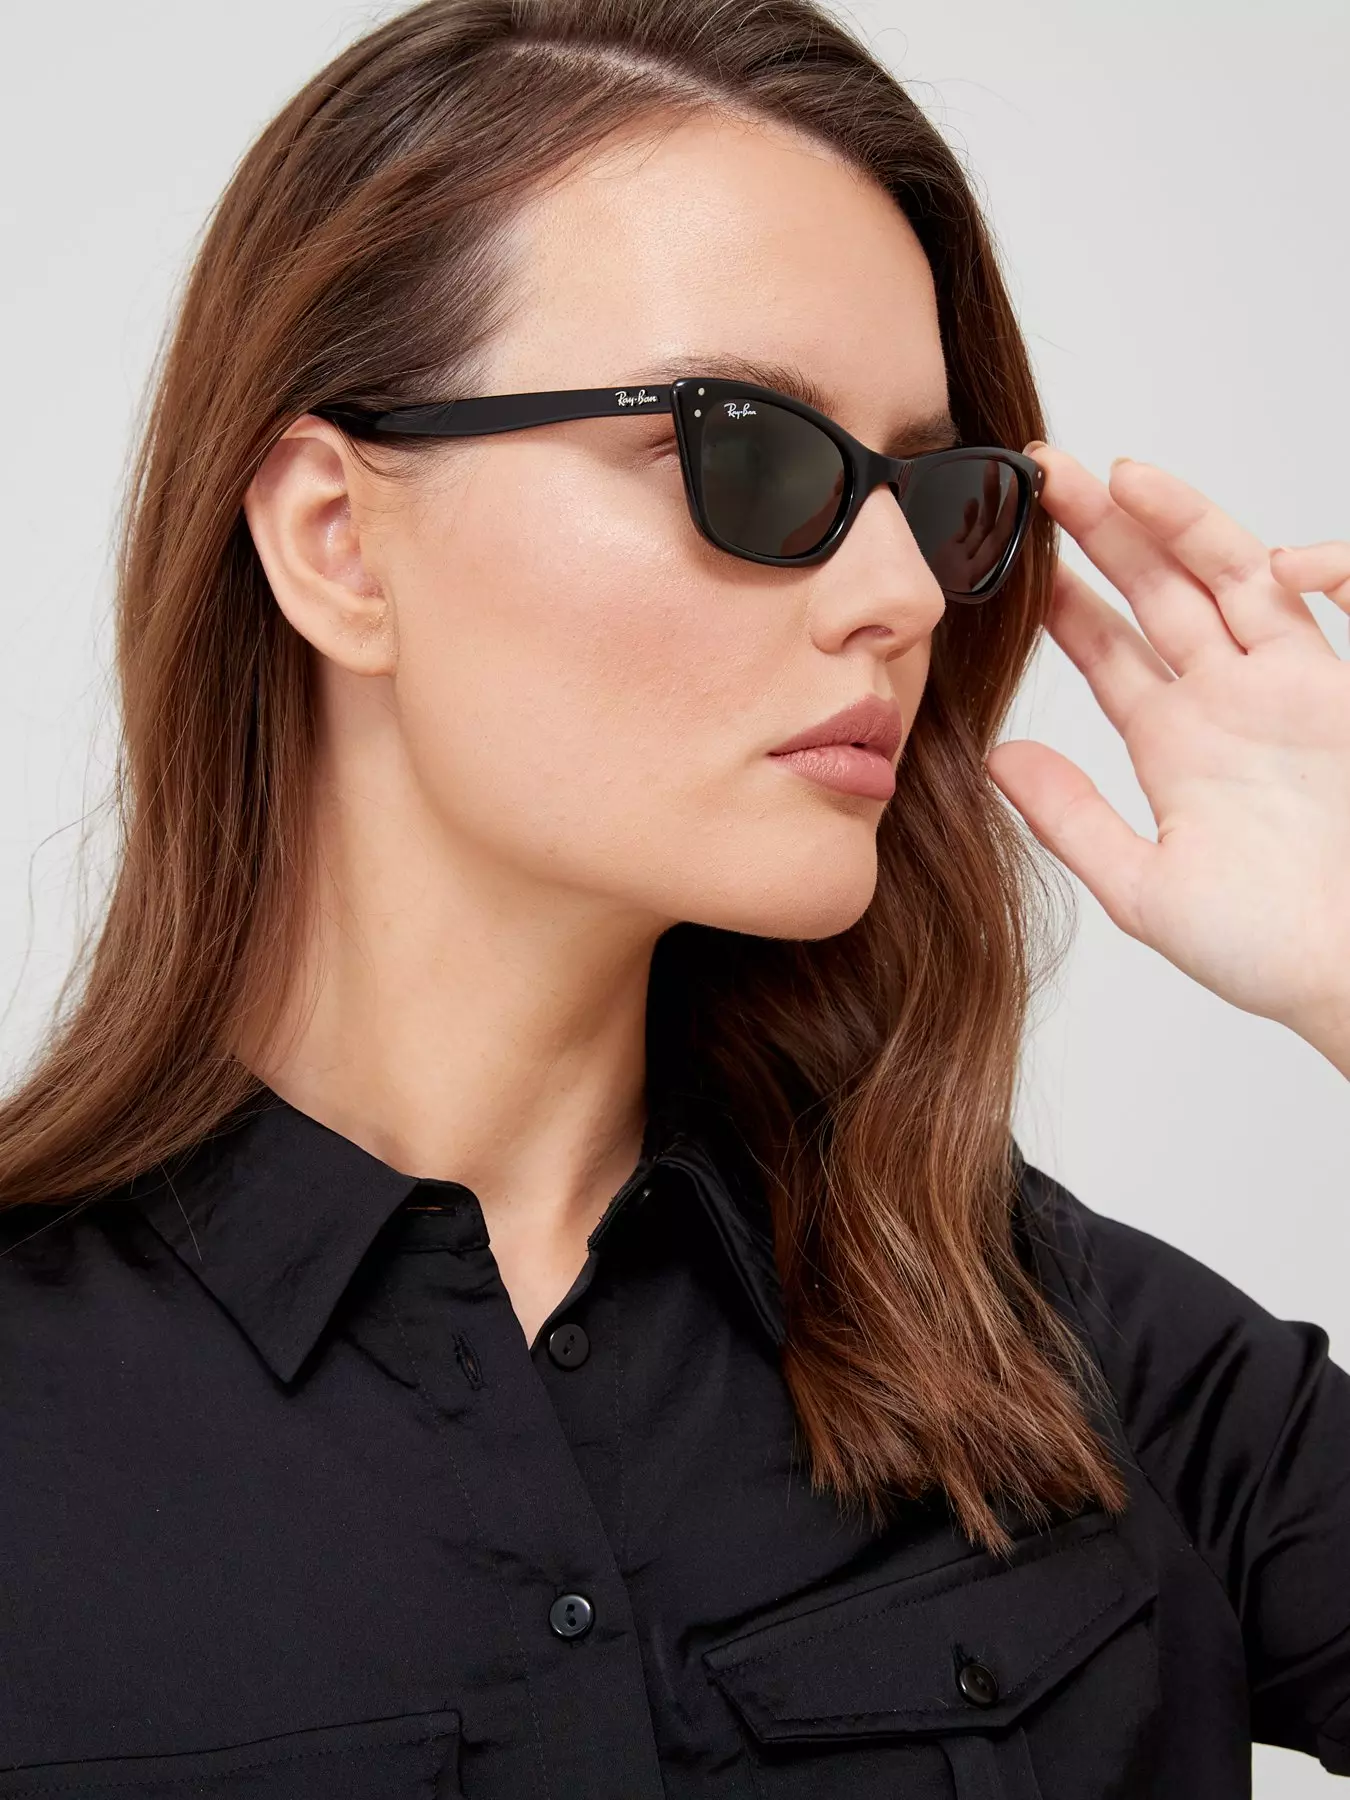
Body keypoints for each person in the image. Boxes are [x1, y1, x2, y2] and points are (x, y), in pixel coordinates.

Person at [0, 0, 1346, 1793]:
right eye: (751, 453)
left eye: (933, 497)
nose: (903, 595)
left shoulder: (1053, 1347)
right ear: (337, 539)